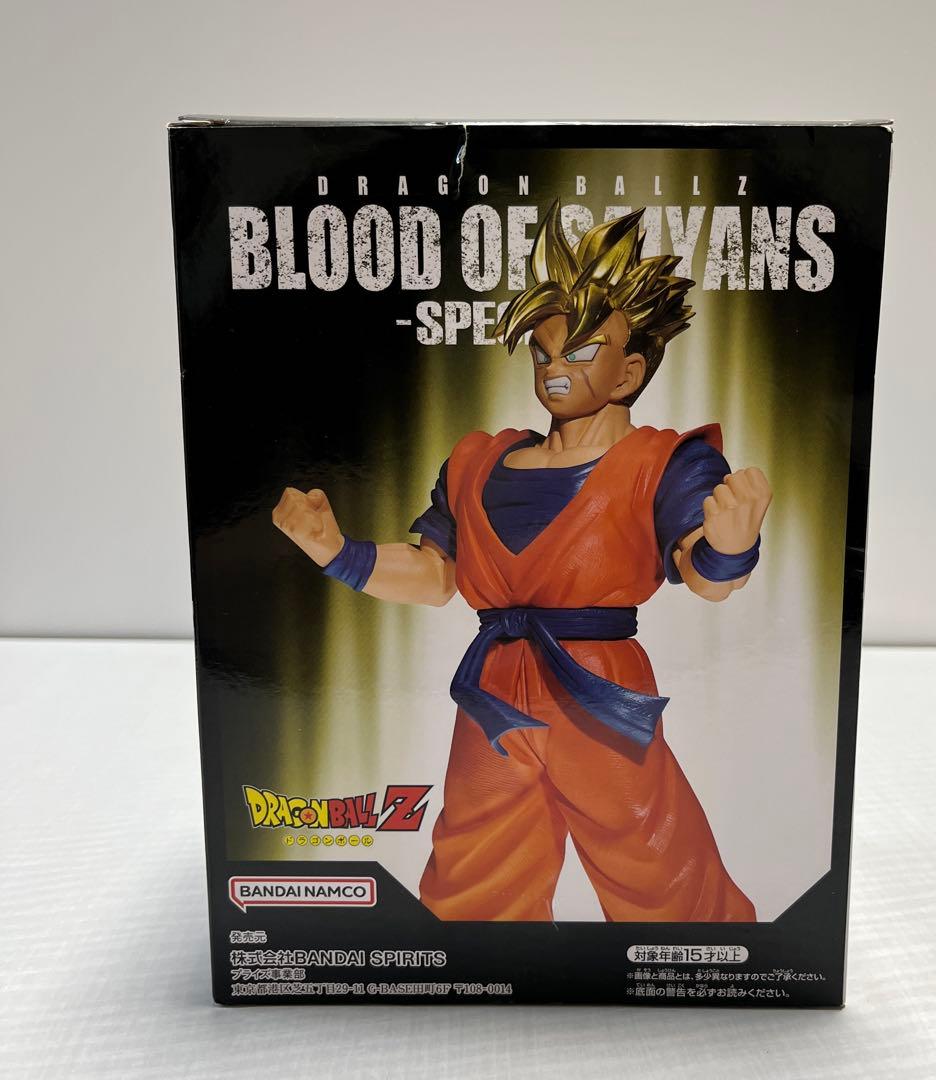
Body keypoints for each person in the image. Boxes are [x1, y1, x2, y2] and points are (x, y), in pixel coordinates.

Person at [272, 201, 771, 922]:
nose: (555, 369)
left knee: (657, 867)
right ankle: (483, 971)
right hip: (494, 691)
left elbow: (704, 575)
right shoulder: (478, 460)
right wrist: (337, 552)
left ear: (629, 371)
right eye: (543, 353)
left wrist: (729, 546)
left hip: (597, 687)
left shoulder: (665, 462)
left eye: (579, 353)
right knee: (474, 875)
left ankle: (708, 969)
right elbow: (435, 575)